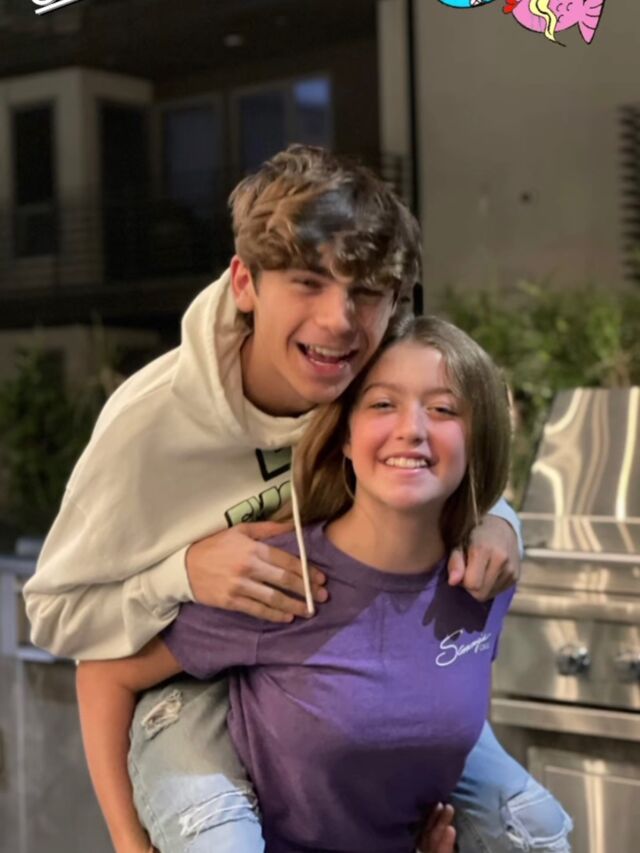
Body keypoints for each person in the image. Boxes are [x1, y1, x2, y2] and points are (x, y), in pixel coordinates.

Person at [24, 146, 568, 852]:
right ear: (244, 282)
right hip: (196, 679)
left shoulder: (366, 372)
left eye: (366, 292)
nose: (339, 319)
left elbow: (442, 450)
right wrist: (182, 574)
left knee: (531, 827)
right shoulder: (148, 426)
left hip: (348, 680)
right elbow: (55, 617)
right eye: (308, 282)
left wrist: (499, 519)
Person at [76, 314, 514, 853]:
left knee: (535, 831)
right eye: (382, 404)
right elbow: (104, 674)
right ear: (345, 436)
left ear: (478, 437)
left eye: (443, 409)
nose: (412, 429)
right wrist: (128, 842)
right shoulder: (279, 575)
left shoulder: (485, 577)